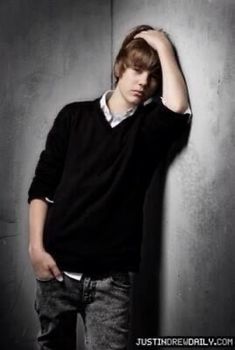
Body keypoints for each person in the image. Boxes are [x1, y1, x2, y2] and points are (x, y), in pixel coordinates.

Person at [28, 24, 191, 350]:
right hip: (56, 272)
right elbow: (42, 186)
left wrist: (160, 43)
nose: (144, 81)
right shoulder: (73, 117)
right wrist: (36, 249)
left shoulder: (148, 130)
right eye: (137, 69)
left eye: (152, 75)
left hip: (111, 283)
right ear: (119, 68)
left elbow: (176, 107)